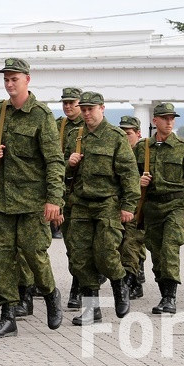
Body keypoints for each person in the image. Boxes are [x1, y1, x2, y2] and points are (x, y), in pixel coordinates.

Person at [0, 58, 65, 338]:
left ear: (27, 79)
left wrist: (54, 199)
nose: (9, 83)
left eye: (14, 78)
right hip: (2, 200)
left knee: (33, 254)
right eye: (6, 79)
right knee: (0, 257)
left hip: (32, 200)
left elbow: (54, 160)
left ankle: (51, 294)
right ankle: (8, 315)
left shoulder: (41, 114)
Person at [65, 91, 140, 325]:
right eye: (84, 109)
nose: (87, 113)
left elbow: (129, 174)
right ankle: (91, 309)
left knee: (106, 253)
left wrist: (128, 205)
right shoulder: (74, 136)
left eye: (91, 109)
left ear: (102, 109)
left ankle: (120, 285)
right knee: (80, 257)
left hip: (108, 204)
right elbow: (60, 173)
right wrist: (69, 165)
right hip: (80, 205)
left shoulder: (116, 137)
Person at [134, 103, 184, 314]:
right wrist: (139, 181)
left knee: (169, 248)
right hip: (151, 207)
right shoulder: (142, 148)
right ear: (154, 121)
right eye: (164, 118)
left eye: (172, 118)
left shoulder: (183, 147)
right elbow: (128, 176)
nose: (169, 122)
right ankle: (163, 291)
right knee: (156, 253)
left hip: (175, 205)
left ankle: (170, 297)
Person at [56, 87, 86, 309]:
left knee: (83, 245)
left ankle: (82, 285)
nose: (68, 106)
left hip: (85, 193)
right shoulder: (59, 126)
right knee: (71, 245)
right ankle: (78, 284)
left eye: (72, 103)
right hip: (65, 192)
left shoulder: (91, 127)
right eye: (65, 103)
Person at [117, 115, 147, 300]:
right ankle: (133, 279)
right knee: (122, 245)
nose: (125, 137)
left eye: (128, 133)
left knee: (131, 243)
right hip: (120, 205)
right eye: (122, 133)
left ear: (138, 133)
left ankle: (130, 280)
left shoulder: (146, 154)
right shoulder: (118, 151)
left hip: (141, 207)